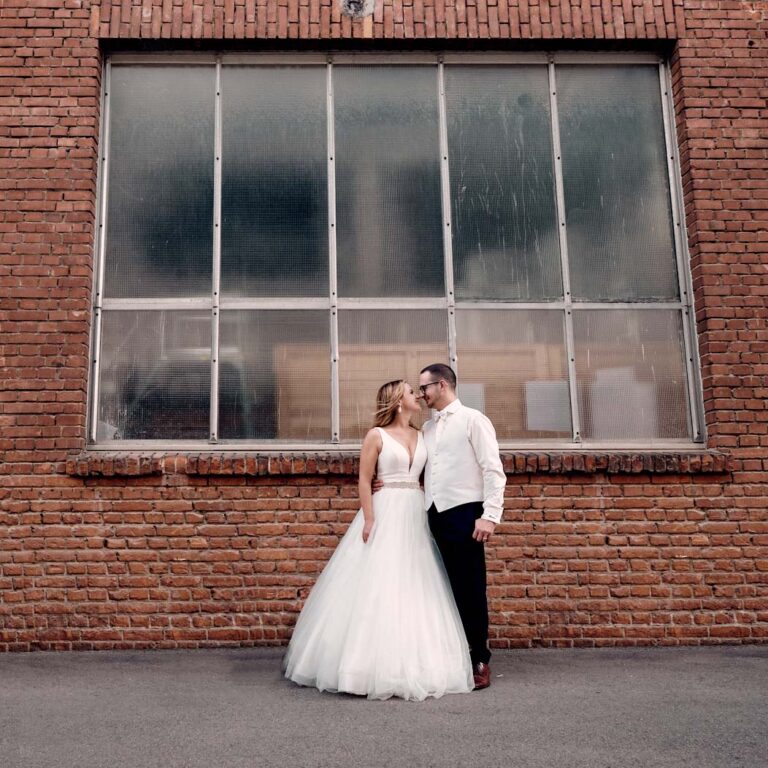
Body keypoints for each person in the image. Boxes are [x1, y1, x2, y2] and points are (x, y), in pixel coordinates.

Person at [282, 380, 473, 701]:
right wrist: (369, 517)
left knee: (416, 580)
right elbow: (364, 477)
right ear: (398, 401)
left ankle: (418, 663)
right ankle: (361, 667)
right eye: (412, 392)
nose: (418, 396)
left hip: (416, 511)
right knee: (379, 579)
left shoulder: (423, 432)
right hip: (385, 512)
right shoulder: (376, 436)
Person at [417, 363, 506, 690]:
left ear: (441, 385)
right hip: (433, 515)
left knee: (470, 587)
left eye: (424, 386)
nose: (420, 393)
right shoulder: (426, 429)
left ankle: (479, 657)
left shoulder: (474, 420)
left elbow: (493, 471)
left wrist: (490, 515)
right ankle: (448, 653)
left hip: (465, 514)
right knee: (440, 587)